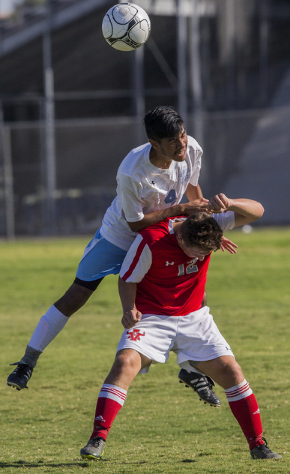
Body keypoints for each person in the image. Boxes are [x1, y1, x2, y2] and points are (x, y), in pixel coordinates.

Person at [7, 106, 235, 406]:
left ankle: (191, 369)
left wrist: (202, 226)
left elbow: (192, 189)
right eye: (173, 141)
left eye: (183, 135)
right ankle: (28, 361)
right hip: (118, 237)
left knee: (191, 300)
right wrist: (180, 211)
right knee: (75, 296)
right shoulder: (131, 170)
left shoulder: (191, 148)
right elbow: (135, 223)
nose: (182, 145)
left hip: (161, 235)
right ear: (155, 143)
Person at [80, 193, 281, 461]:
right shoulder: (151, 240)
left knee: (232, 370)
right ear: (181, 238)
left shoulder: (208, 224)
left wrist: (230, 203)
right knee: (124, 363)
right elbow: (127, 279)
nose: (200, 257)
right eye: (196, 251)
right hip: (151, 317)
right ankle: (98, 437)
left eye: (206, 252)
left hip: (195, 318)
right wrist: (129, 309)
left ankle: (258, 445)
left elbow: (257, 210)